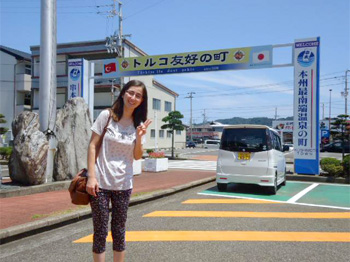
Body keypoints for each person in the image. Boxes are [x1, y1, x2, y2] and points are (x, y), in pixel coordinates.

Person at [87, 80, 151, 262]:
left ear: (141, 100)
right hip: (100, 182)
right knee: (100, 230)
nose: (133, 97)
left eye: (138, 95)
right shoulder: (106, 116)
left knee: (119, 229)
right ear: (123, 93)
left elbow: (137, 156)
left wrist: (139, 138)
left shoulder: (138, 124)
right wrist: (91, 177)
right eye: (131, 93)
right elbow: (92, 146)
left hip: (123, 183)